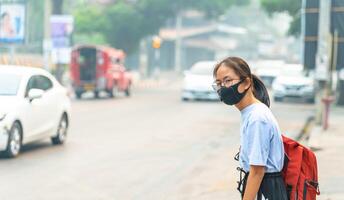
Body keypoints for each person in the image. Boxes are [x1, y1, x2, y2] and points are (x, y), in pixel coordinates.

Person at [212, 57, 287, 200]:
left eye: (227, 81)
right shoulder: (251, 113)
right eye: (219, 83)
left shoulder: (257, 118)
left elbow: (257, 171)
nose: (223, 87)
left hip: (266, 190)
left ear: (246, 82)